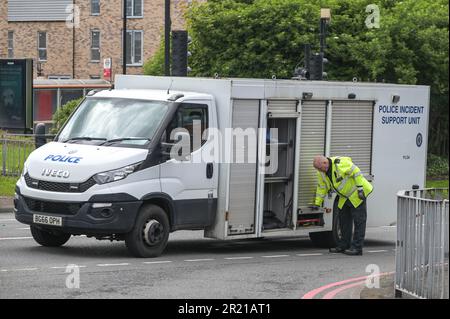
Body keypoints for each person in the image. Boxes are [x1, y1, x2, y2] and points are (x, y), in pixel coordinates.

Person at [312, 155, 373, 256]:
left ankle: (357, 248)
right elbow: (322, 187)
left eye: (321, 168)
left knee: (359, 222)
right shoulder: (321, 173)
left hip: (357, 194)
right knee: (343, 221)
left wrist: (360, 189)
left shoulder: (339, 163)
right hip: (344, 196)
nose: (321, 171)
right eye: (318, 169)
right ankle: (344, 245)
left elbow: (356, 172)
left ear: (324, 163)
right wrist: (317, 203)